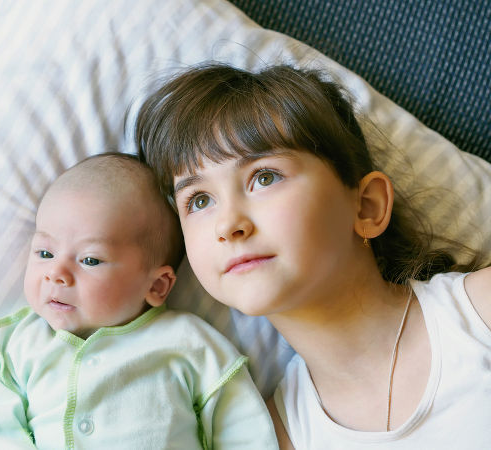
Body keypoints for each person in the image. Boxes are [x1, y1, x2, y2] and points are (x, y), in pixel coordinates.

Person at [134, 63, 491, 449]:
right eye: (199, 200)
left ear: (367, 207)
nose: (227, 224)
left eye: (264, 177)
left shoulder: (478, 315)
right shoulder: (270, 436)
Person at [0, 153, 278, 449]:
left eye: (90, 260)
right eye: (45, 253)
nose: (56, 274)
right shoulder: (12, 347)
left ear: (155, 285)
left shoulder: (189, 344)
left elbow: (244, 429)